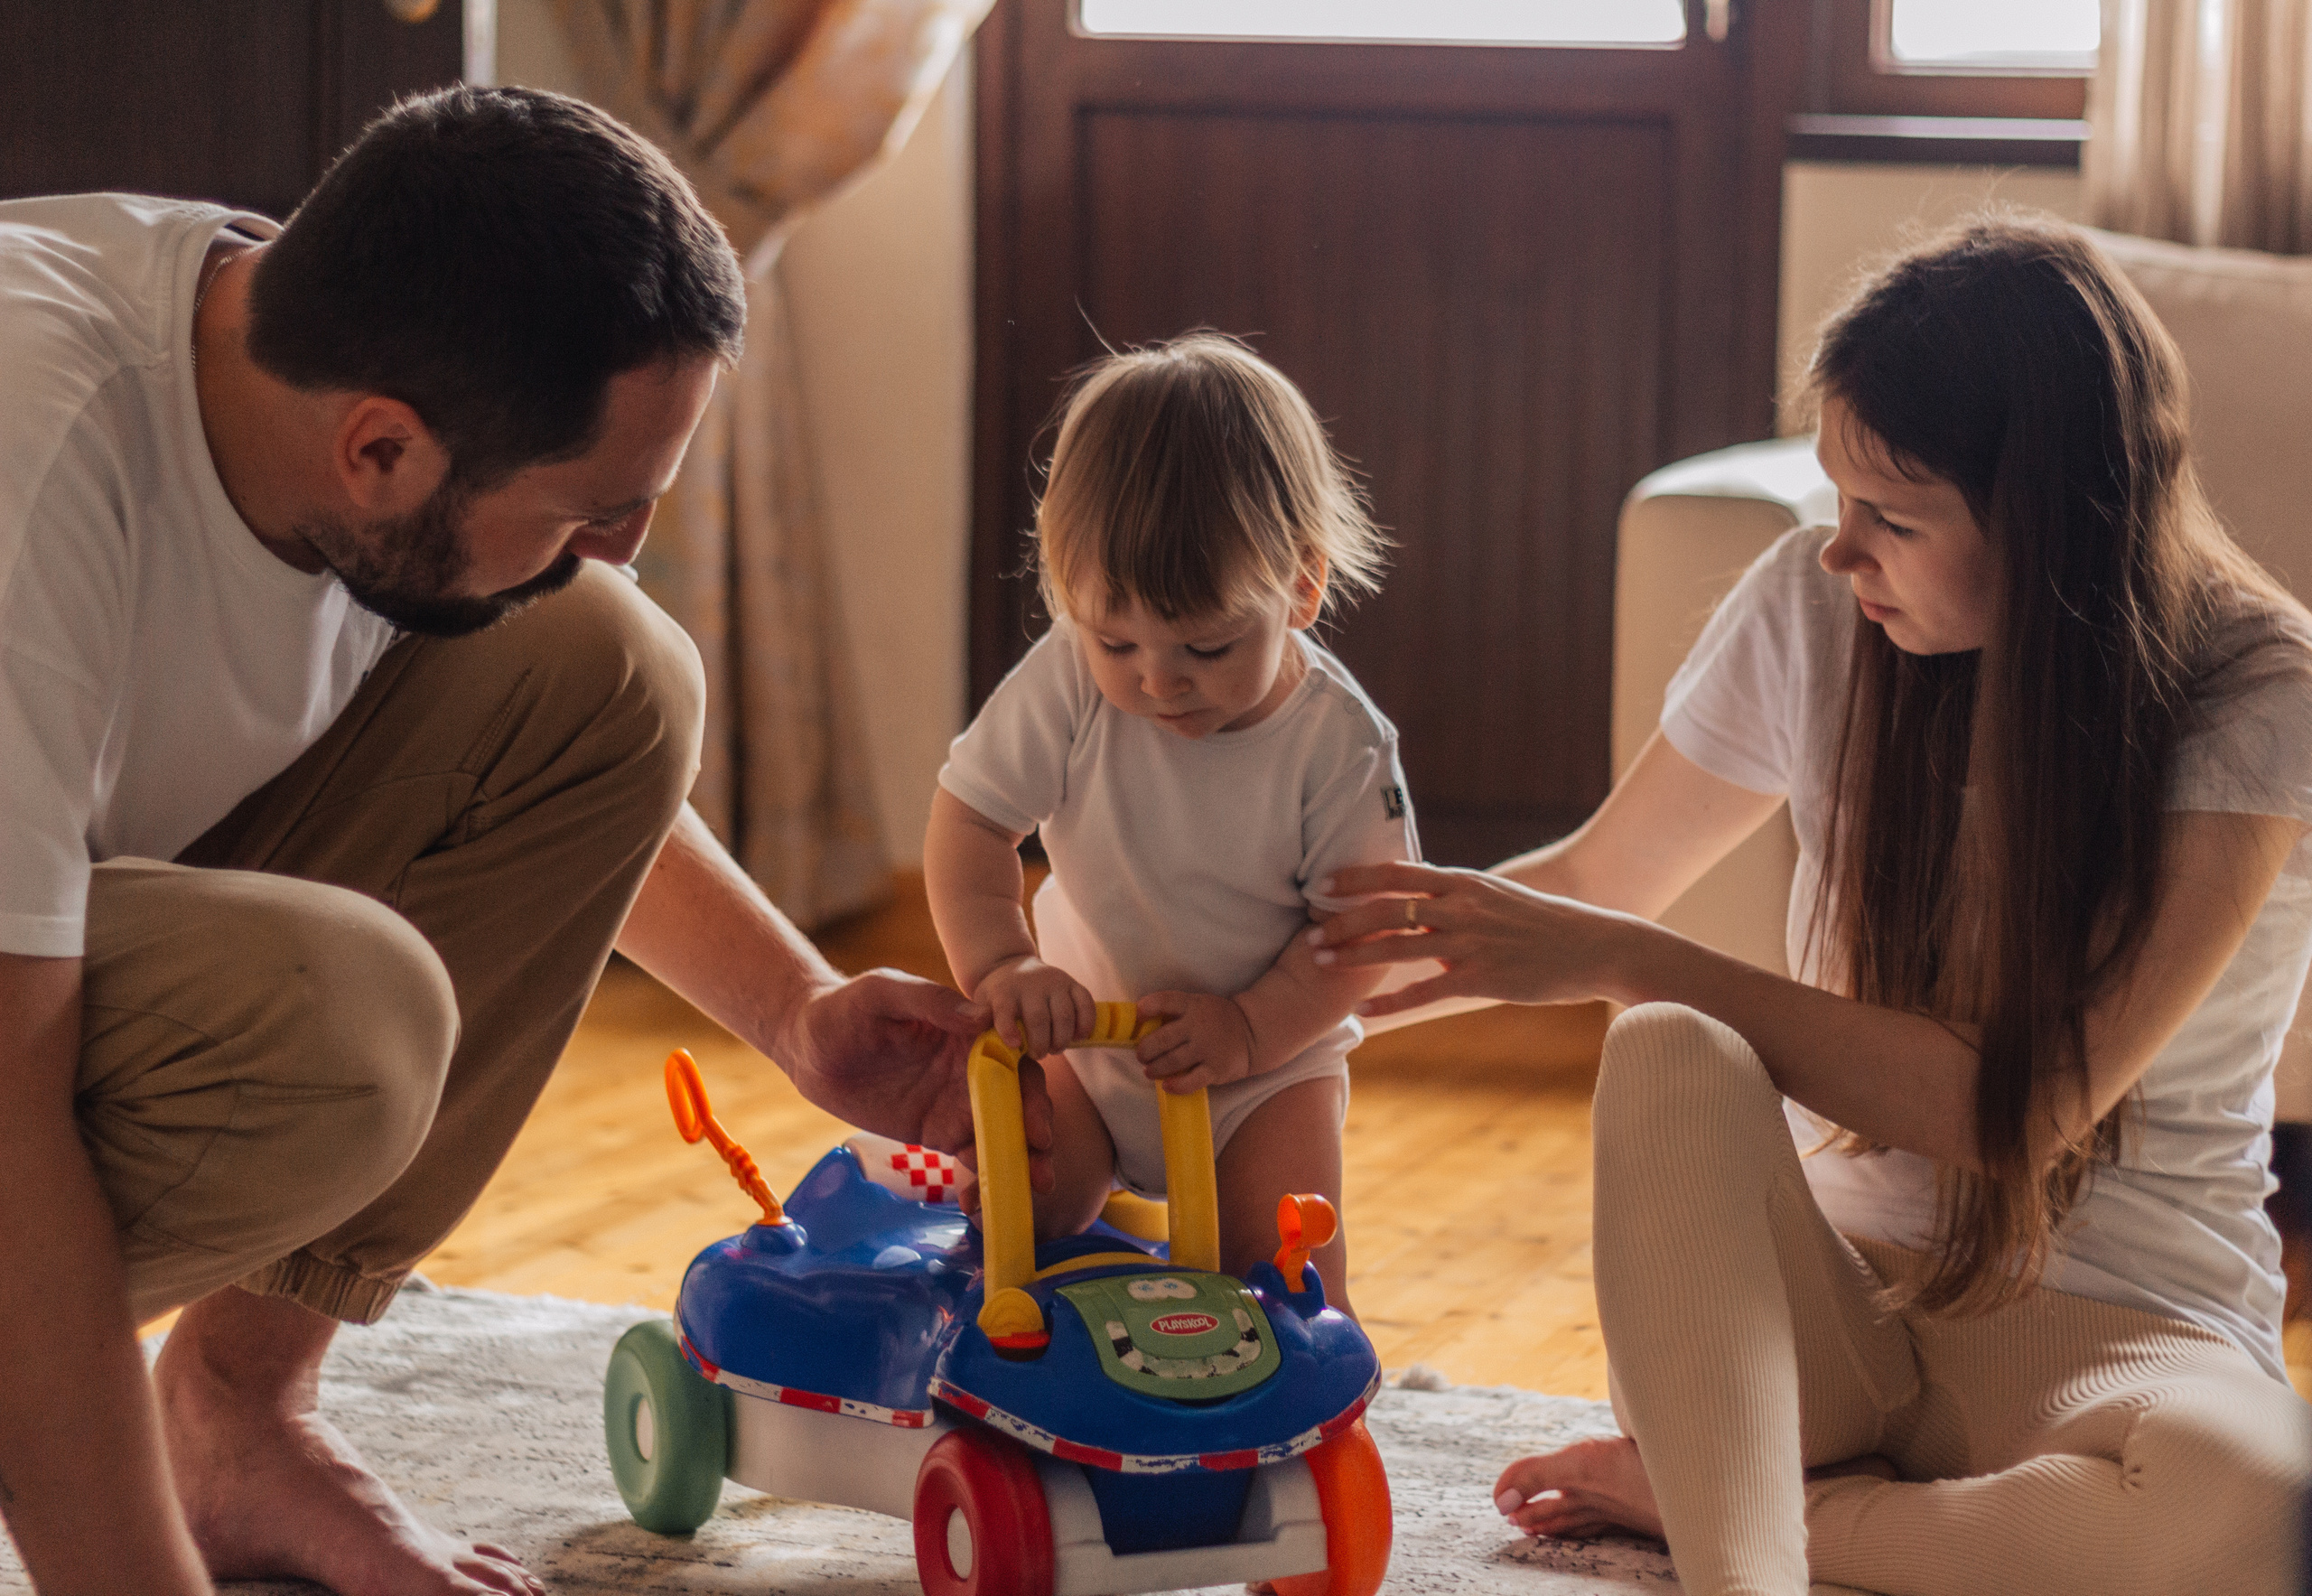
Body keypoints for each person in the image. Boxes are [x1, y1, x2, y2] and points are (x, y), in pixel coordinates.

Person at [0, 87, 1043, 1596]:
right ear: (380, 452)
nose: (618, 544)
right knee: (330, 1017)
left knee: (606, 669)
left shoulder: (305, 365)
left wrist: (802, 1019)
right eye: (588, 510)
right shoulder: (39, 478)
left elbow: (563, 731)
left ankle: (237, 1416)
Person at [1310, 217, 2312, 1593]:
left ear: (2053, 526)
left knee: (2252, 1517)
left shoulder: (2258, 694)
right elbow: (1595, 881)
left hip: (2124, 1333)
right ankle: (1759, 1548)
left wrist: (1618, 954)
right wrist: (1247, 1008)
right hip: (1817, 1318)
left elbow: (2018, 1112)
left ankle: (1736, 1507)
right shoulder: (1810, 610)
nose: (1841, 554)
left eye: (1891, 519)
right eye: (1836, 502)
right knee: (1667, 1045)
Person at [923, 333, 1415, 1307]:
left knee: (1284, 1285)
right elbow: (971, 822)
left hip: (1262, 1071)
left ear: (1301, 588)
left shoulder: (1339, 743)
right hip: (1087, 1046)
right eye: (1117, 639)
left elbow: (1366, 936)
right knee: (1017, 1218)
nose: (1156, 678)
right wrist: (1004, 968)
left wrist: (1247, 1029)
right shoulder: (1068, 676)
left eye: (1207, 644)